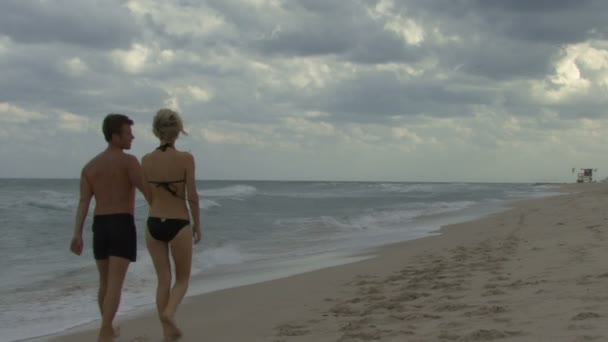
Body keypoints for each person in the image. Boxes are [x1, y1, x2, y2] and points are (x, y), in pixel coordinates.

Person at [70, 114, 150, 342]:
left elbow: (84, 202)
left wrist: (77, 233)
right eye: (128, 133)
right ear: (115, 137)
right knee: (115, 283)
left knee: (104, 282)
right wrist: (163, 213)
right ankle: (105, 330)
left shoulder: (90, 167)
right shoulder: (129, 162)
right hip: (121, 224)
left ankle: (108, 327)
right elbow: (146, 190)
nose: (132, 137)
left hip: (101, 226)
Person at [141, 108, 201, 340]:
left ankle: (167, 332)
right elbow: (193, 196)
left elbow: (149, 196)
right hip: (179, 223)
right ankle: (169, 313)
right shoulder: (186, 159)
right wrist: (198, 224)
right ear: (178, 131)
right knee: (183, 278)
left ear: (157, 130)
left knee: (163, 279)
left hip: (154, 222)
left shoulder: (146, 160)